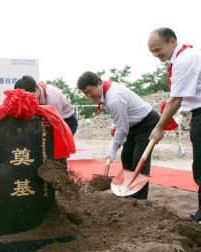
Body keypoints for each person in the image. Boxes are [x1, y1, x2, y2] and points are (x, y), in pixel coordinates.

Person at [77, 71, 160, 199]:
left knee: (139, 161)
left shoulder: (114, 98)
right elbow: (120, 122)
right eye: (85, 93)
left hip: (146, 123)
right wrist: (115, 126)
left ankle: (139, 201)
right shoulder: (106, 93)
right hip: (132, 124)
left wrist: (113, 150)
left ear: (99, 83)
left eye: (89, 91)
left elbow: (122, 129)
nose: (88, 95)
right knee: (127, 157)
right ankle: (127, 193)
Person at [148, 27, 201, 223]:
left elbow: (176, 99)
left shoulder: (185, 60)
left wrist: (159, 127)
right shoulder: (186, 57)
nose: (156, 55)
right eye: (152, 52)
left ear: (172, 41)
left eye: (158, 49)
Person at [14, 75, 78, 136]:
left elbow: (56, 124)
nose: (28, 102)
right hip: (47, 121)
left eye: (29, 98)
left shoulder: (53, 99)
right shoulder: (35, 91)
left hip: (66, 121)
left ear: (36, 89)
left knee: (58, 145)